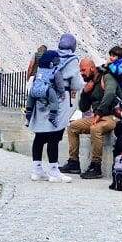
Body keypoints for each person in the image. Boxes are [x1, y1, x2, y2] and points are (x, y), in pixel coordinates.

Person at [25, 33, 80, 182]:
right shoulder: (72, 60)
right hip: (59, 101)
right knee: (54, 136)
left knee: (40, 135)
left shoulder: (50, 56)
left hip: (40, 99)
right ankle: (54, 171)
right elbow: (75, 84)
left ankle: (37, 170)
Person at [60, 57, 122, 179]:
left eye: (83, 70)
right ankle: (74, 163)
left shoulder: (107, 77)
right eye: (80, 71)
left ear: (92, 68)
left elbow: (110, 94)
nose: (81, 73)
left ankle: (96, 166)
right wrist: (85, 92)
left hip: (112, 117)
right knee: (73, 127)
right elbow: (83, 108)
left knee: (95, 128)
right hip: (97, 117)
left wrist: (98, 113)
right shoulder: (91, 83)